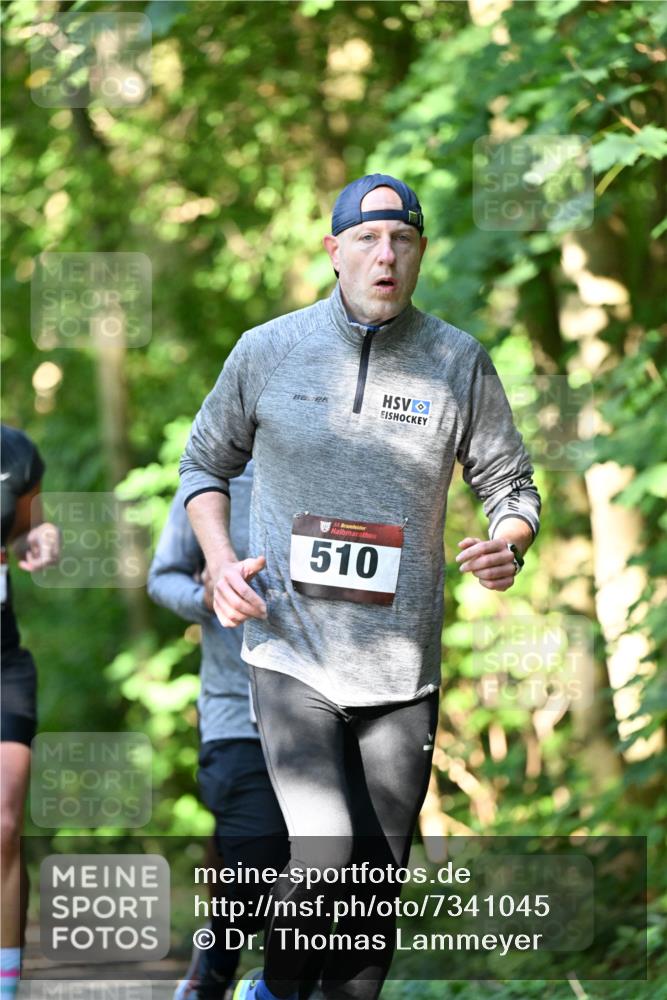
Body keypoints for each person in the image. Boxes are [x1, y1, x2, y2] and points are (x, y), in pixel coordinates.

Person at [178, 174, 541, 1000]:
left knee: (370, 903)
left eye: (403, 240)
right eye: (369, 239)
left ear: (418, 254)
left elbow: (511, 488)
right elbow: (204, 464)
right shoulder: (267, 350)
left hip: (400, 667)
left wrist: (507, 544)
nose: (386, 255)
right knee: (325, 849)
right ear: (333, 251)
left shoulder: (456, 361)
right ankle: (269, 988)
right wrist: (221, 557)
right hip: (291, 651)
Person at [148, 463, 320, 1000]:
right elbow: (163, 576)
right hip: (236, 714)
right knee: (259, 862)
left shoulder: (332, 473)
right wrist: (207, 598)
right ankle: (215, 973)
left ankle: (276, 987)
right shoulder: (213, 482)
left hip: (325, 713)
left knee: (324, 867)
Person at [1, 423, 60, 997]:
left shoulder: (15, 454)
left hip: (2, 665)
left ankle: (6, 984)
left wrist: (40, 537)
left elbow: (25, 529)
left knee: (4, 823)